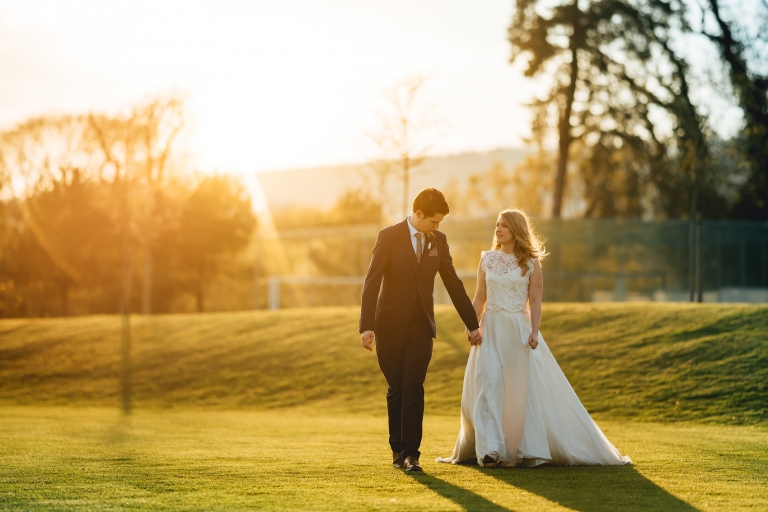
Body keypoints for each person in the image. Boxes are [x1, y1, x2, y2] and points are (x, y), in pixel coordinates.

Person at [437, 208, 631, 467]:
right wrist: (472, 325)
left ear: (516, 230)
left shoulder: (531, 263)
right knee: (488, 385)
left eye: (504, 225)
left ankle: (520, 445)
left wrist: (534, 331)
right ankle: (491, 450)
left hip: (518, 332)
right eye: (497, 224)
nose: (498, 229)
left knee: (518, 390)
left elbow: (536, 300)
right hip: (490, 330)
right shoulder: (487, 259)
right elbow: (480, 297)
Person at [359, 188, 481, 472]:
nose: (437, 227)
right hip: (389, 326)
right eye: (433, 221)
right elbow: (372, 282)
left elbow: (453, 284)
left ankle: (412, 454)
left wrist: (472, 324)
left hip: (421, 328)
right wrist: (367, 326)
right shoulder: (388, 236)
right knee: (397, 388)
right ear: (418, 213)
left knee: (414, 386)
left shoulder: (439, 241)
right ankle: (397, 450)